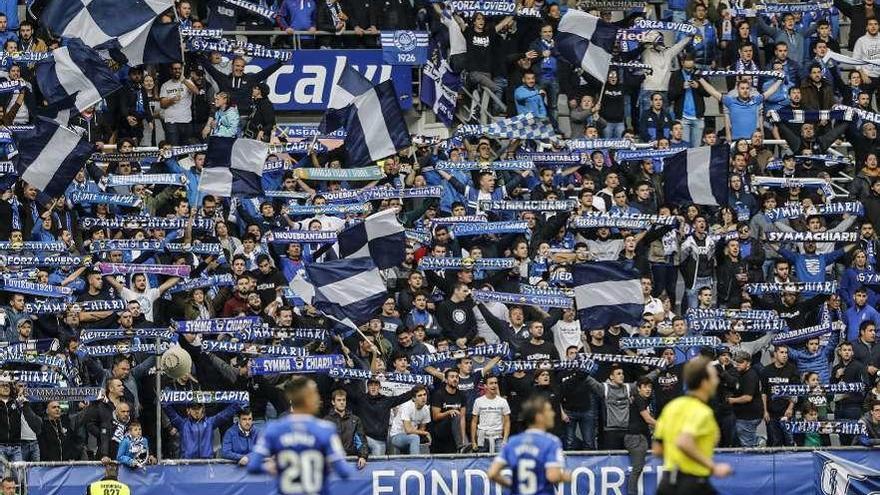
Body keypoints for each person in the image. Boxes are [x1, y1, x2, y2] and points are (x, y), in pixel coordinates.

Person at [246, 376, 355, 495]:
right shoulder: (325, 430)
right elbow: (345, 472)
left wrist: (274, 468)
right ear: (308, 399)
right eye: (315, 394)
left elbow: (253, 466)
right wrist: (326, 465)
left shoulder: (274, 429)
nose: (318, 398)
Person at [653, 357, 732, 495]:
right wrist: (714, 467)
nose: (717, 381)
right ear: (704, 382)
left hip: (667, 484)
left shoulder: (672, 407)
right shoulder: (702, 412)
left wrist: (677, 459)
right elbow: (684, 441)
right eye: (714, 377)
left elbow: (658, 449)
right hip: (693, 484)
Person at [486, 396, 571, 494]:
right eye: (549, 411)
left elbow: (492, 473)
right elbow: (553, 476)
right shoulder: (551, 442)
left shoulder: (512, 442)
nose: (553, 413)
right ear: (539, 417)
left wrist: (512, 485)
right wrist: (567, 476)